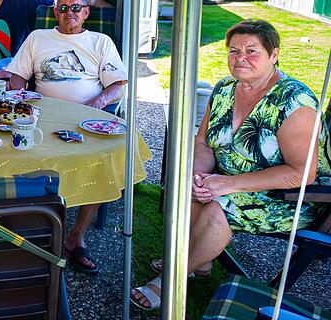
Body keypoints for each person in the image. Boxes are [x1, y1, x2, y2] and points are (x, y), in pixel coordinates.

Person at [130, 19, 330, 311]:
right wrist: (199, 175)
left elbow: (301, 173)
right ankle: (201, 260)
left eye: (252, 51)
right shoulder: (225, 88)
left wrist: (225, 183)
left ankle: (173, 276)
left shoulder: (294, 102)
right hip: (226, 180)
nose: (240, 58)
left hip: (290, 196)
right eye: (234, 51)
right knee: (189, 190)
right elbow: (203, 143)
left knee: (218, 203)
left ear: (274, 55)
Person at [4, 0, 127, 274]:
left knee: (100, 162)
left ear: (86, 12)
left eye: (75, 8)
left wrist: (98, 102)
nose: (68, 13)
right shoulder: (38, 37)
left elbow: (118, 85)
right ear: (55, 11)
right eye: (62, 7)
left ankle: (76, 236)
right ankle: (31, 224)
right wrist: (18, 92)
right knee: (16, 151)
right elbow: (17, 76)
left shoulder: (100, 41)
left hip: (87, 116)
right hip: (41, 113)